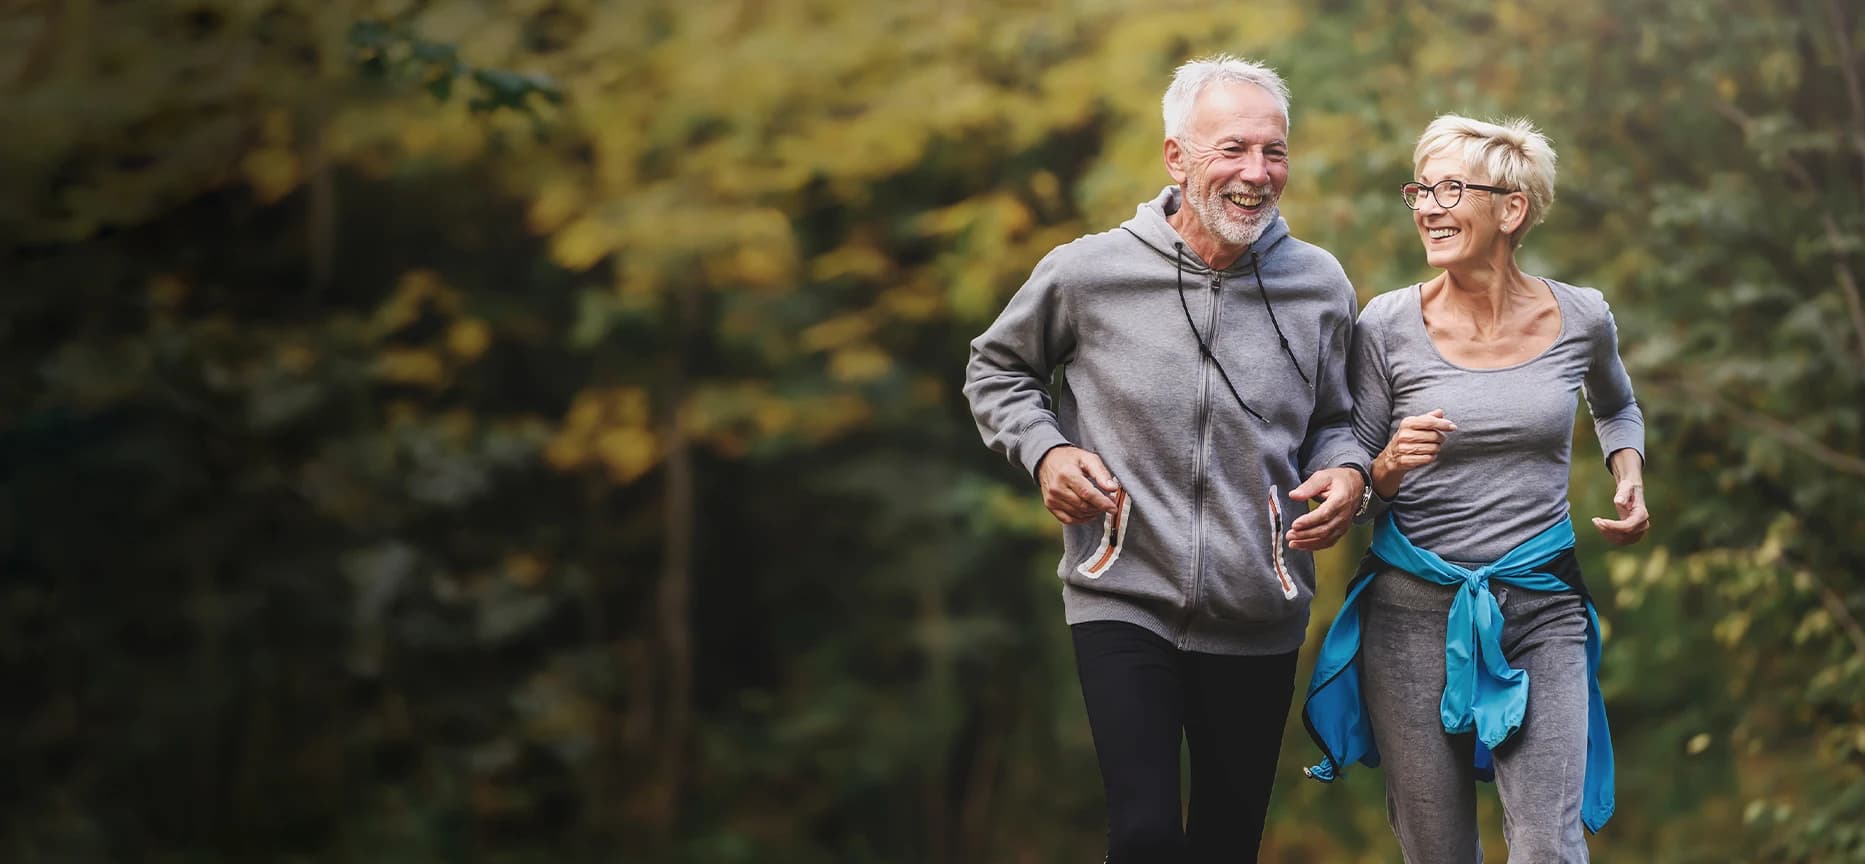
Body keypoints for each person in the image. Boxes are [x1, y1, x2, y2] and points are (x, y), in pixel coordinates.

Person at [963, 55, 1370, 862]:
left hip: (1260, 606)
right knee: (1146, 832)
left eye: (1274, 151)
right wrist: (1046, 453)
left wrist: (1349, 472)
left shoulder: (1319, 285)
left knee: (1225, 841)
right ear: (1176, 158)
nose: (1257, 172)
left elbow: (1343, 416)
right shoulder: (1088, 273)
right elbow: (996, 369)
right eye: (1233, 149)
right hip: (1122, 591)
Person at [1301, 114, 1651, 863]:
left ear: (1510, 209)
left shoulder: (1581, 315)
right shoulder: (1386, 324)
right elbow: (1356, 469)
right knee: (1437, 850)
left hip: (1540, 607)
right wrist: (1389, 464)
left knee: (1546, 847)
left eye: (1450, 188)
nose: (1426, 206)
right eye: (1419, 190)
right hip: (1409, 616)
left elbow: (1615, 404)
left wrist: (1628, 473)